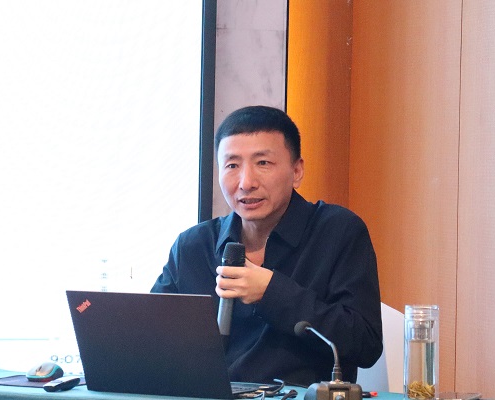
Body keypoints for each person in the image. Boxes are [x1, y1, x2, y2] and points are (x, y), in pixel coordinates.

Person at [151, 105, 383, 387]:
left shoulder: (338, 231)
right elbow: (153, 338)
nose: (246, 183)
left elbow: (365, 344)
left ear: (297, 171)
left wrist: (271, 293)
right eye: (232, 166)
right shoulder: (193, 246)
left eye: (263, 163)